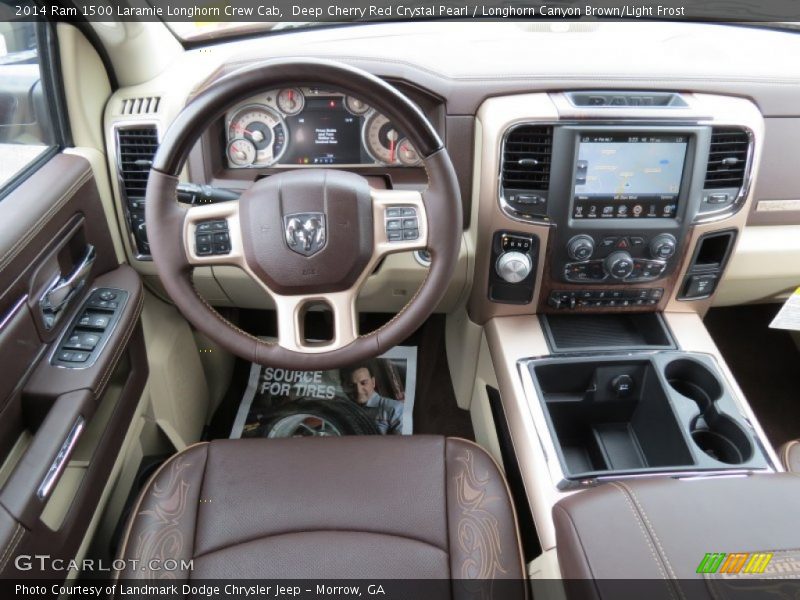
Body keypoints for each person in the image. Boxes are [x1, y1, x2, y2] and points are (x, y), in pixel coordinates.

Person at [350, 365, 404, 435]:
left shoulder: (394, 408)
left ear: (373, 382)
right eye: (351, 385)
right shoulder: (346, 409)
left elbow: (402, 444)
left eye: (364, 383)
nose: (358, 391)